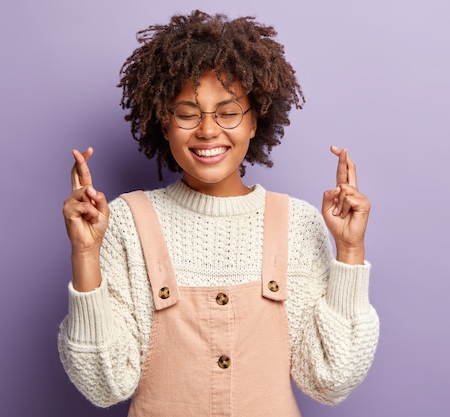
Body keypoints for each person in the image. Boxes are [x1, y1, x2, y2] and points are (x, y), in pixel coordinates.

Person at [59, 10, 379, 416]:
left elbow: (331, 379)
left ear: (254, 121)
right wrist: (85, 256)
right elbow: (104, 386)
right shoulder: (125, 221)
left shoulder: (297, 223)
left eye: (228, 112)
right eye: (188, 113)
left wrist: (350, 251)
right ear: (164, 120)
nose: (208, 130)